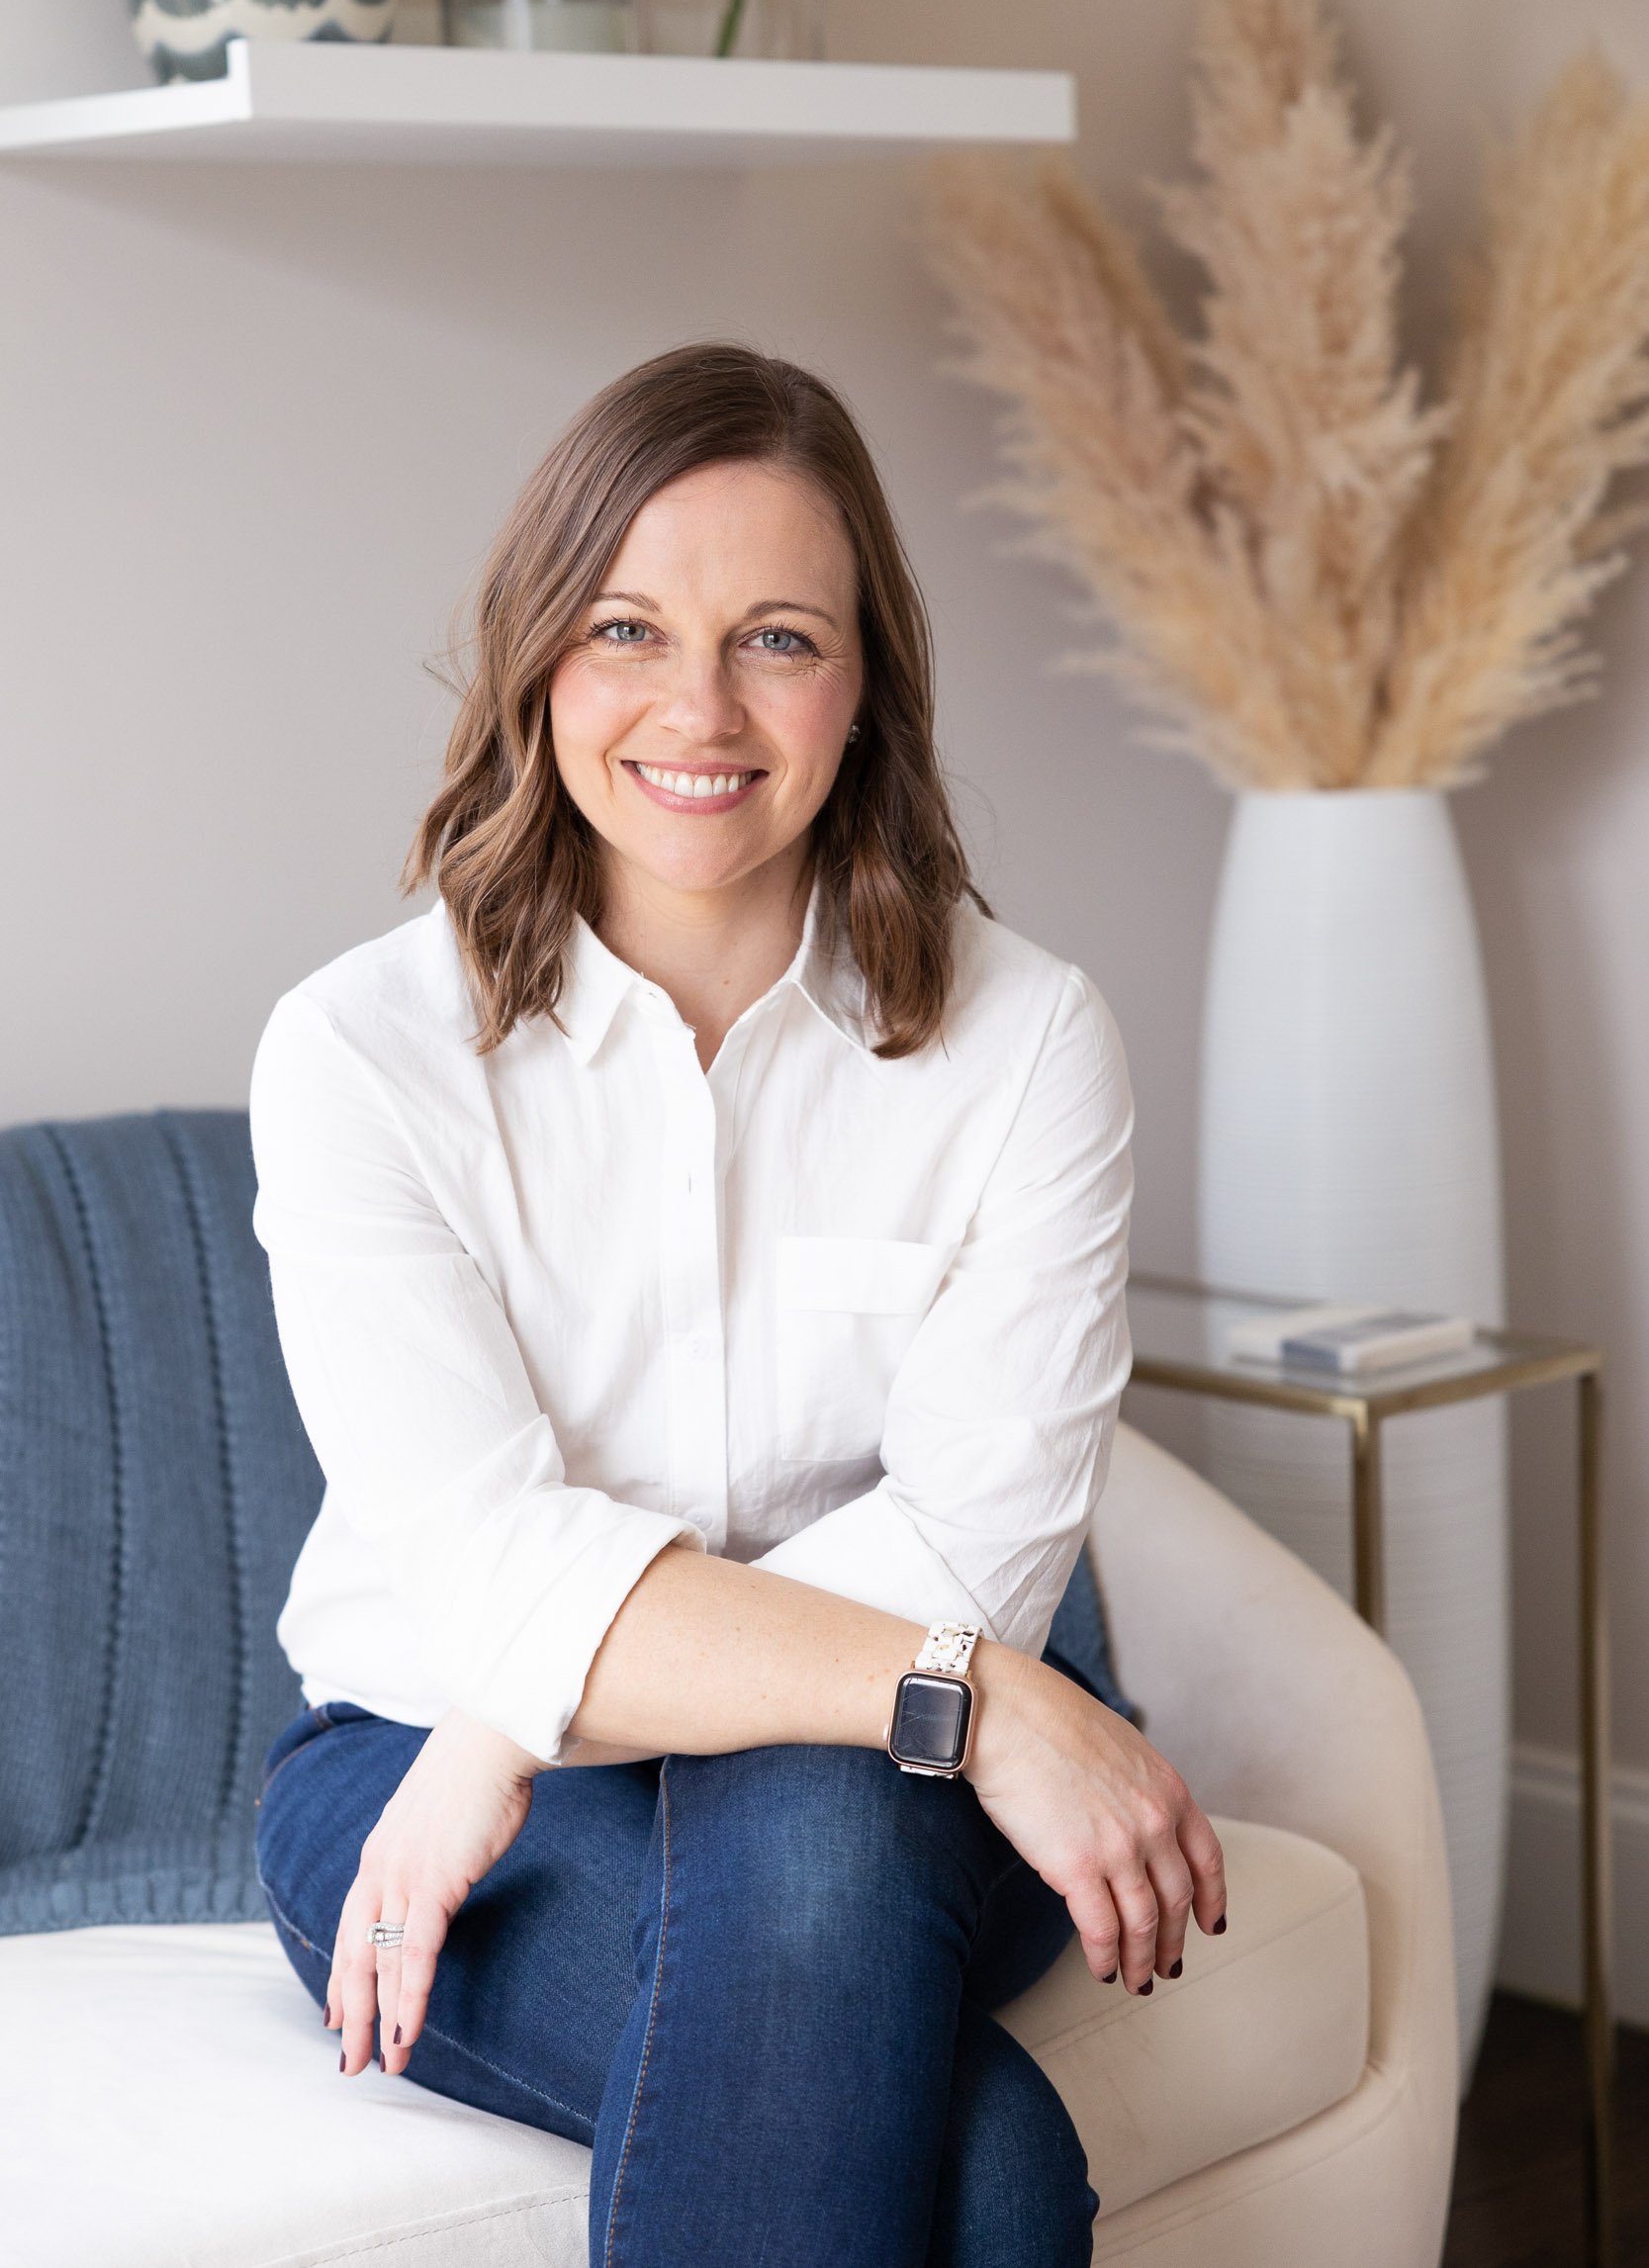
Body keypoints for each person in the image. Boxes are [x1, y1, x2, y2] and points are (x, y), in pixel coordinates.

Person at [248, 340, 1226, 2268]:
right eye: (626, 624)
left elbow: (975, 1541)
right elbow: (485, 1569)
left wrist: (508, 1731)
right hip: (411, 1755)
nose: (697, 705)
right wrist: (975, 1692)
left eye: (777, 637)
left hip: (821, 1781)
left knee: (818, 1817)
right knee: (989, 2169)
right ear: (540, 655)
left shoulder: (1027, 1042)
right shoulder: (361, 1051)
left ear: (866, 687)